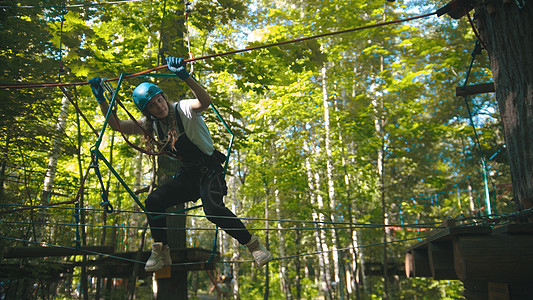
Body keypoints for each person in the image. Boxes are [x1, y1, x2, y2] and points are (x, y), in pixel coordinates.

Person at [89, 57, 273, 271]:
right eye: (152, 105)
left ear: (164, 98)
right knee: (154, 201)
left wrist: (186, 77)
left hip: (209, 171)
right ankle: (161, 252)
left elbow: (204, 102)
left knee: (212, 209)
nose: (159, 107)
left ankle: (255, 247)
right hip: (187, 175)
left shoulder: (183, 109)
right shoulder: (150, 125)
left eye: (159, 100)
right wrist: (102, 100)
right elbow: (116, 125)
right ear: (147, 111)